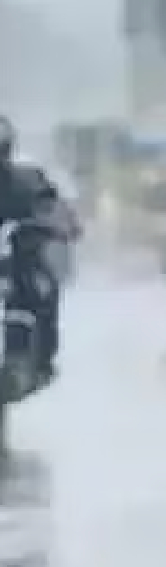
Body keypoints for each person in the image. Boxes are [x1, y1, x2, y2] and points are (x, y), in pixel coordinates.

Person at [0, 115, 75, 386]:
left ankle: (41, 359)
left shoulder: (28, 179)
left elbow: (55, 207)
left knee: (44, 287)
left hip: (18, 257)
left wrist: (59, 225)